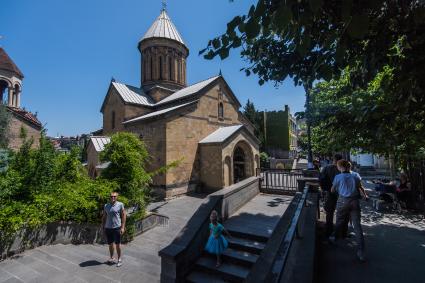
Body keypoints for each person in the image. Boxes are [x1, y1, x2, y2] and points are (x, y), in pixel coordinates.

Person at [331, 160, 368, 262]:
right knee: (357, 227)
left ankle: (334, 237)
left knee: (339, 221)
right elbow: (360, 187)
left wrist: (339, 188)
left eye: (338, 166)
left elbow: (332, 190)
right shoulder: (355, 176)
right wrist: (365, 195)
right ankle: (361, 252)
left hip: (343, 201)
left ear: (341, 167)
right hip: (355, 201)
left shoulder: (338, 177)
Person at [320, 153, 343, 237]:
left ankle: (329, 230)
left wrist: (323, 189)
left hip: (331, 192)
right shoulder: (345, 168)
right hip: (343, 194)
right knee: (342, 213)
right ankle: (341, 231)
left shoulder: (327, 168)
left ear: (334, 160)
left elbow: (321, 178)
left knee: (330, 212)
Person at [102, 192, 126, 267]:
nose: (113, 198)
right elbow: (104, 216)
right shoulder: (106, 205)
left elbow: (124, 216)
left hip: (117, 228)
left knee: (118, 244)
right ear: (110, 197)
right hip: (108, 228)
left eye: (114, 196)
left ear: (117, 197)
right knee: (110, 244)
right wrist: (103, 226)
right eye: (111, 196)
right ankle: (112, 257)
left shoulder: (120, 204)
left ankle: (119, 259)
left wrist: (122, 227)